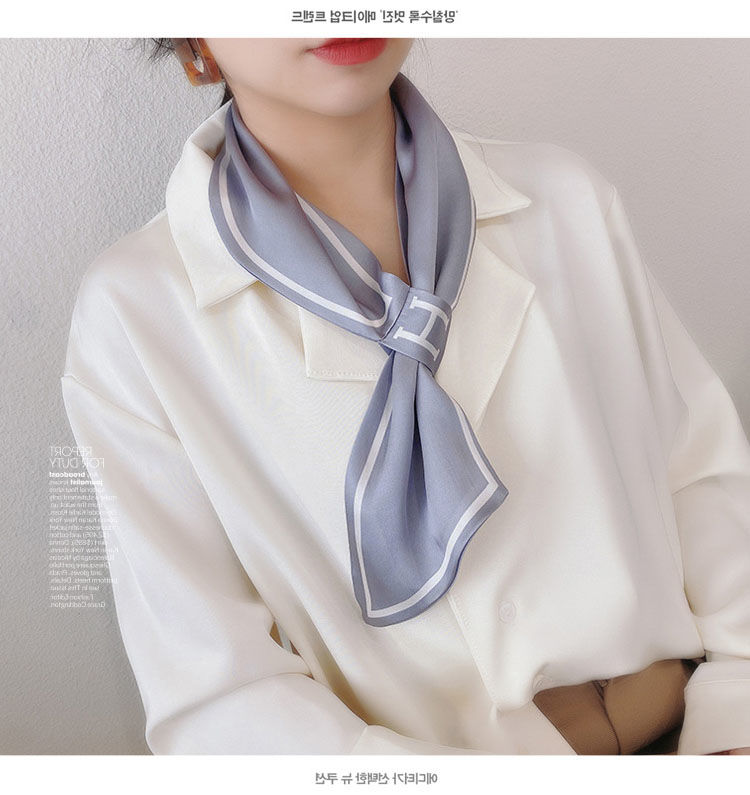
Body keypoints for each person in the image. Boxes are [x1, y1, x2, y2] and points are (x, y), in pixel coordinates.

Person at [61, 37, 750, 755]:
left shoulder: (564, 198)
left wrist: (736, 717)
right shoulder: (137, 315)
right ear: (192, 38)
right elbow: (217, 698)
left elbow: (701, 478)